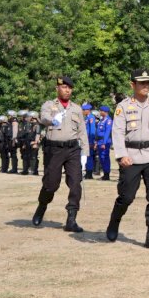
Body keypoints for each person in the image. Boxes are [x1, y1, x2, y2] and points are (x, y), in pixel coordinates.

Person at [106, 69, 149, 249]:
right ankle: (114, 221)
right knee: (126, 197)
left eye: (148, 83)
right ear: (132, 85)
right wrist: (121, 155)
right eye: (142, 83)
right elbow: (117, 132)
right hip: (130, 156)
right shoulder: (123, 107)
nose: (145, 86)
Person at [32, 76, 89, 233]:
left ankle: (71, 219)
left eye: (69, 88)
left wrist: (85, 153)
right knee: (51, 184)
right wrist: (52, 120)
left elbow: (82, 131)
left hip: (72, 149)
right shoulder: (49, 105)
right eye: (64, 87)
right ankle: (42, 206)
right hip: (54, 149)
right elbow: (43, 117)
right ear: (57, 89)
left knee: (76, 183)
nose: (67, 90)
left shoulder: (77, 109)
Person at [96, 106, 113, 181]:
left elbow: (107, 132)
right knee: (101, 158)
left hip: (104, 141)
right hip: (99, 141)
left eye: (101, 111)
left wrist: (104, 143)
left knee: (105, 157)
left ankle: (107, 175)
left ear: (104, 111)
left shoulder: (108, 120)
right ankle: (104, 174)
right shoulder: (101, 120)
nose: (100, 112)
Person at [83, 103, 98, 179]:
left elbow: (92, 130)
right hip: (86, 140)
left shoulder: (91, 117)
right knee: (87, 156)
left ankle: (89, 173)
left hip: (90, 140)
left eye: (84, 110)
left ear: (88, 110)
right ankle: (87, 172)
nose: (83, 111)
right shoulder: (86, 118)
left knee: (89, 157)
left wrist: (92, 141)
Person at [28, 111, 42, 175]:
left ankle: (34, 171)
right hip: (30, 142)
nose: (29, 118)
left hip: (34, 142)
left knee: (34, 157)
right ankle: (32, 169)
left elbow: (38, 134)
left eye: (30, 116)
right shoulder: (31, 124)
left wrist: (36, 143)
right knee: (31, 156)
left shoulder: (37, 125)